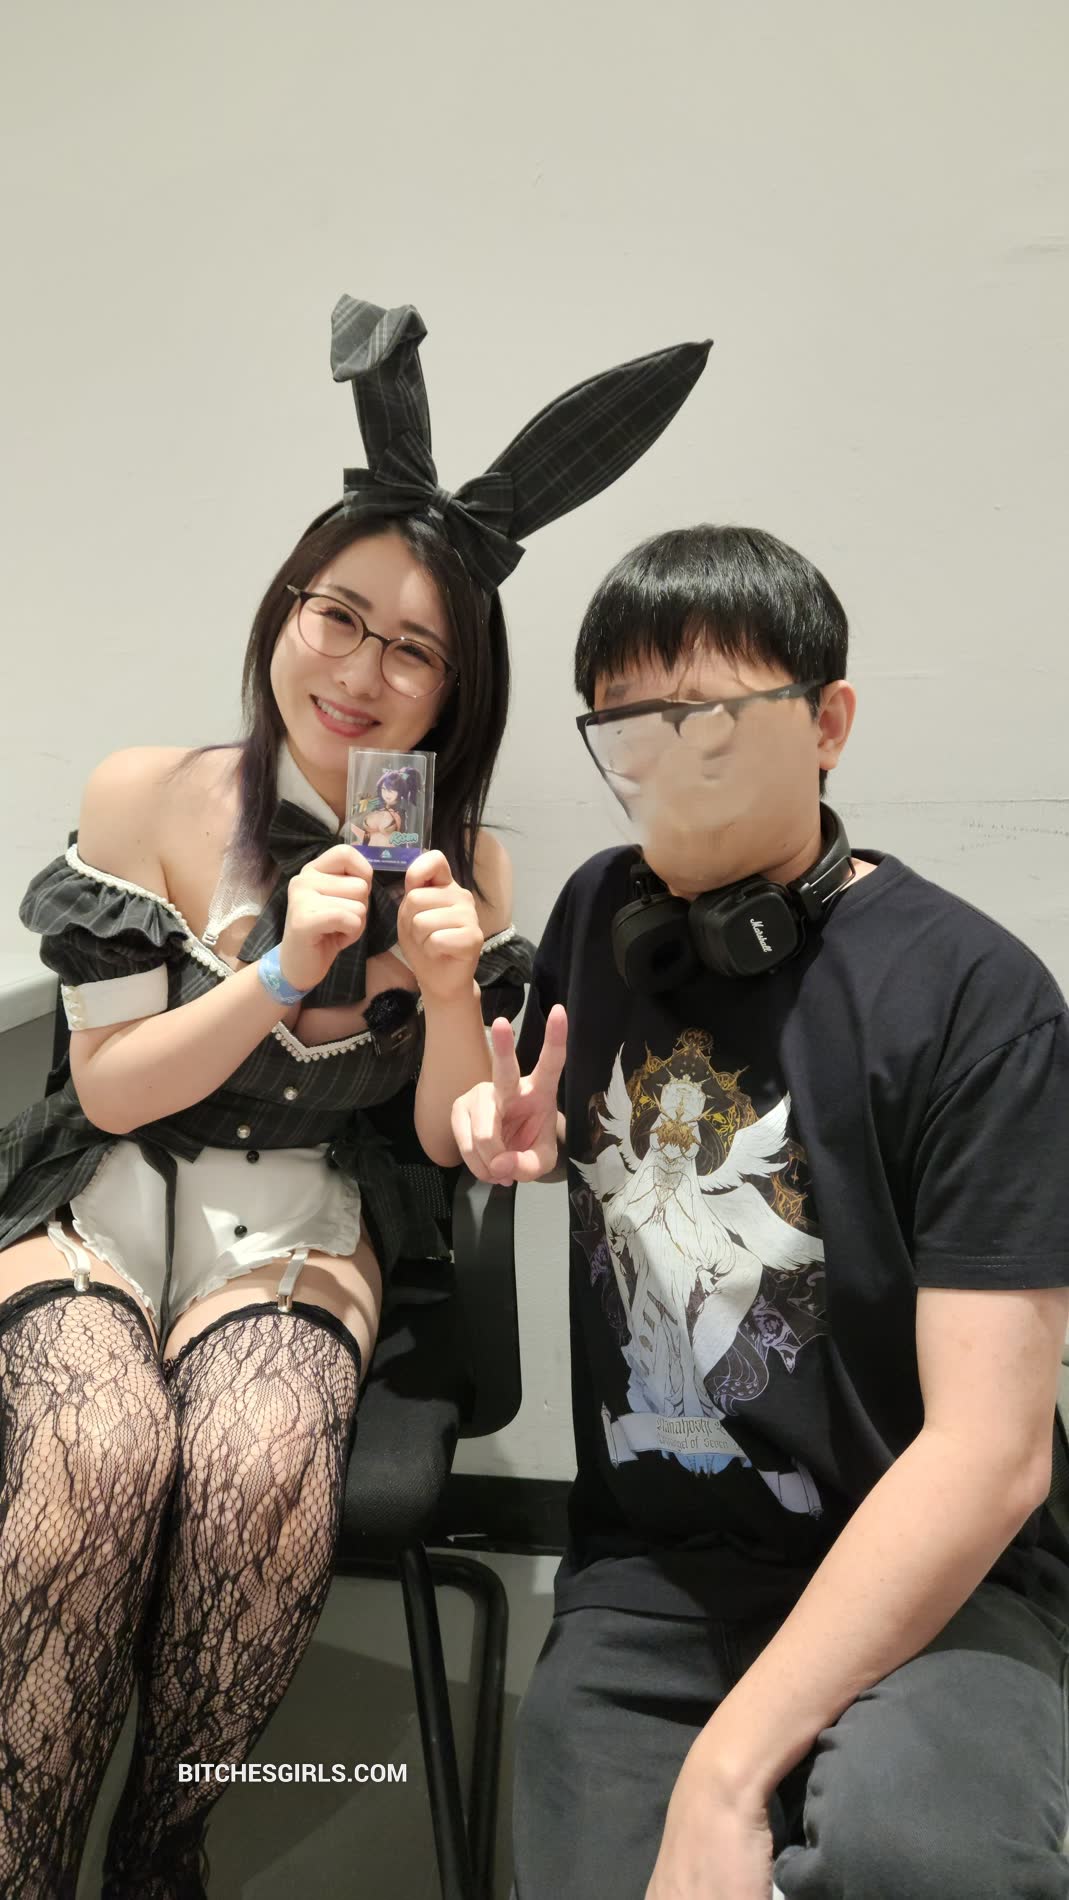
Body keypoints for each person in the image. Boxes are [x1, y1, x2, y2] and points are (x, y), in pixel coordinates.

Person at [0, 297, 711, 1900]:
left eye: (414, 650)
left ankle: (164, 1844)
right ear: (285, 608)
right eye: (340, 616)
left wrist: (449, 988)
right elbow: (107, 1090)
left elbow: (452, 1136)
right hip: (103, 1201)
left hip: (303, 1216)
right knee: (96, 1457)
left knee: (259, 1469)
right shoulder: (144, 793)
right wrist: (273, 970)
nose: (362, 673)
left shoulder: (471, 862)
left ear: (453, 694)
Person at [452, 523, 1069, 1900]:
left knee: (919, 1860)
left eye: (709, 719)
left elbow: (991, 1457)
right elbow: (519, 1121)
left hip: (935, 1578)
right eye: (626, 726)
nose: (663, 766)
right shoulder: (601, 919)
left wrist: (727, 1772)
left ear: (827, 723)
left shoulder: (977, 998)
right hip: (654, 1572)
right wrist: (495, 1128)